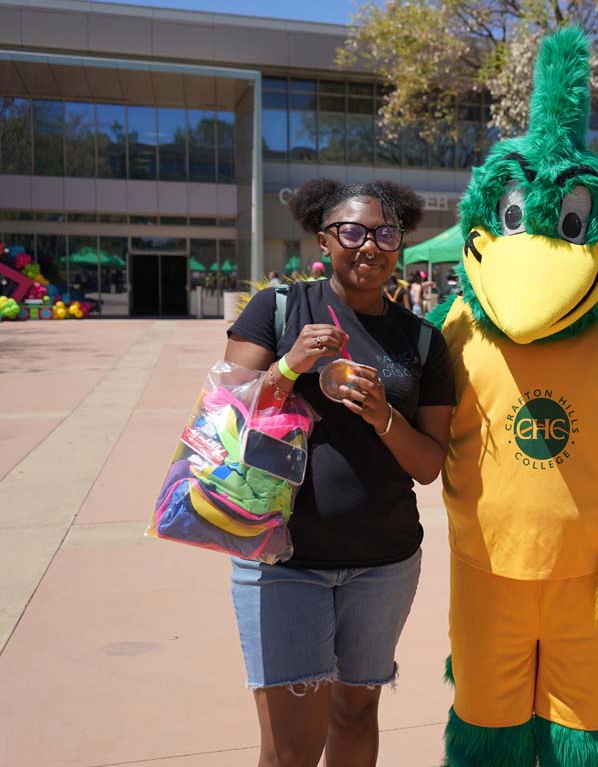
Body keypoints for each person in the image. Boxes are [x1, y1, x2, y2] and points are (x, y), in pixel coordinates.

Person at [224, 178, 456, 767]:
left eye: (385, 233)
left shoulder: (422, 339)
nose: (369, 245)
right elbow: (222, 414)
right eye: (351, 231)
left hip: (384, 560)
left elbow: (430, 465)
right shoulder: (277, 310)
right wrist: (286, 367)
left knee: (356, 712)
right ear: (325, 239)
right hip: (283, 559)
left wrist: (384, 416)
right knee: (291, 746)